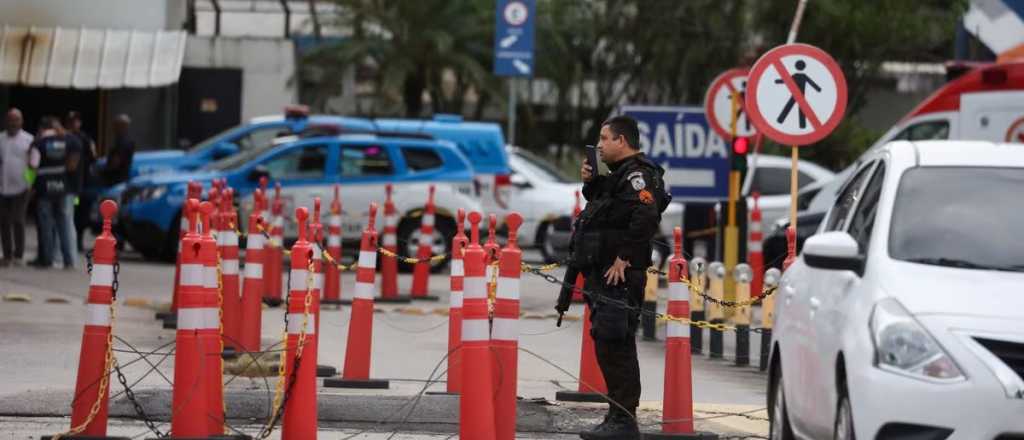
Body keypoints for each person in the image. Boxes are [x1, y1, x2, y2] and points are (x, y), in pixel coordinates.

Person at [564, 116, 669, 439]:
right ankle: (616, 415)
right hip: (603, 273)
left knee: (617, 345)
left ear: (621, 141)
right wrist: (591, 183)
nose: (599, 145)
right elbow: (604, 212)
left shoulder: (638, 175)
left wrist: (624, 256)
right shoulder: (616, 176)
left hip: (620, 275)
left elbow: (646, 216)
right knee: (608, 345)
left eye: (604, 138)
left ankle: (624, 420)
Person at [30, 117, 81, 269]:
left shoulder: (38, 143)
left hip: (44, 189)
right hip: (64, 188)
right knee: (66, 223)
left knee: (46, 224)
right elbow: (72, 166)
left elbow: (32, 166)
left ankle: (47, 259)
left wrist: (30, 185)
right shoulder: (72, 141)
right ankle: (69, 261)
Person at [0, 108, 34, 266]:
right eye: (10, 120)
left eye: (16, 120)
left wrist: (30, 184)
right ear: (6, 121)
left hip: (22, 187)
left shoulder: (29, 139)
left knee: (18, 219)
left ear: (21, 122)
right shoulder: (1, 138)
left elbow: (33, 164)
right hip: (3, 187)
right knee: (4, 220)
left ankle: (19, 255)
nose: (13, 123)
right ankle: (7, 255)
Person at [65, 111, 97, 252]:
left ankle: (78, 240)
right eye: (71, 121)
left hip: (81, 185)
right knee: (69, 212)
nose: (74, 124)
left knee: (79, 212)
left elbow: (93, 157)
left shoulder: (85, 139)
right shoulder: (64, 137)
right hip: (68, 184)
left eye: (76, 121)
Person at [101, 114, 134, 186]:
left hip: (117, 179)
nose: (113, 128)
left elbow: (116, 162)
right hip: (119, 178)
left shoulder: (123, 142)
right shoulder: (121, 140)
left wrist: (103, 170)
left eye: (116, 125)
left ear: (123, 126)